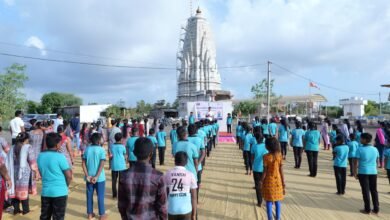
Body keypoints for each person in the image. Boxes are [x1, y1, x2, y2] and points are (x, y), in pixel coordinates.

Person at [118, 137, 167, 219]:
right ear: (151, 154)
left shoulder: (124, 175)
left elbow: (121, 205)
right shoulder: (159, 177)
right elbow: (162, 207)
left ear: (134, 153)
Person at [38, 133, 72, 220]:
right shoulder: (60, 157)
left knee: (44, 216)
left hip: (46, 191)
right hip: (60, 192)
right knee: (58, 217)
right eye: (60, 143)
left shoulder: (40, 156)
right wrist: (66, 186)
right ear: (57, 144)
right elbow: (68, 176)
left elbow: (42, 173)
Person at [164, 152, 197, 220]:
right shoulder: (190, 175)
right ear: (186, 162)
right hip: (186, 210)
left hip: (171, 209)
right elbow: (194, 197)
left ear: (175, 161)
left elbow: (165, 194)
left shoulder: (167, 174)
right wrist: (193, 214)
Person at [12, 132, 38, 215]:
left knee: (15, 190)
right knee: (24, 191)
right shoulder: (27, 147)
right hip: (24, 172)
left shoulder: (13, 147)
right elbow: (32, 161)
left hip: (14, 171)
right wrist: (36, 171)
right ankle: (26, 210)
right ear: (26, 139)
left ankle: (16, 210)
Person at [82, 133, 107, 220]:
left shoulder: (87, 149)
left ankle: (89, 214)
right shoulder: (101, 150)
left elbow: (83, 163)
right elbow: (102, 164)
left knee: (89, 195)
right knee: (100, 196)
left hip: (89, 178)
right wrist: (96, 176)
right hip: (99, 178)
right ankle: (102, 215)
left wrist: (87, 175)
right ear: (99, 140)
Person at [353, 133, 379, 215]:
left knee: (365, 191)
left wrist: (354, 172)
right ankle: (376, 208)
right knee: (374, 190)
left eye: (361, 139)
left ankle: (367, 209)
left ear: (365, 140)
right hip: (373, 172)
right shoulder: (375, 149)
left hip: (363, 172)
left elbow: (355, 162)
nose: (360, 140)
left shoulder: (360, 149)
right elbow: (377, 161)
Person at [261, 137, 285, 220]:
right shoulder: (279, 156)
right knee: (278, 201)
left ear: (268, 147)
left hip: (268, 181)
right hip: (278, 181)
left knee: (268, 200)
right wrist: (283, 181)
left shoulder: (265, 157)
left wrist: (261, 180)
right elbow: (281, 170)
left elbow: (265, 171)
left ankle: (270, 218)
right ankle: (278, 218)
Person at [187, 124, 205, 200]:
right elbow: (203, 153)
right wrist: (198, 163)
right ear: (196, 131)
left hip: (187, 166)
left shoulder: (186, 139)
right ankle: (195, 200)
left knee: (187, 185)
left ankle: (188, 201)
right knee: (196, 184)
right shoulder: (199, 139)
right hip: (198, 166)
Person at [251, 132, 268, 207]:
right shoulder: (266, 147)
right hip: (265, 168)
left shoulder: (254, 146)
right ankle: (267, 199)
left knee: (258, 185)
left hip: (256, 168)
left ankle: (259, 202)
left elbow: (252, 158)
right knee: (265, 184)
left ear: (256, 139)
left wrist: (252, 165)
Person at [110, 133, 127, 199]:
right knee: (121, 180)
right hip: (122, 165)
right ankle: (121, 194)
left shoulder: (112, 146)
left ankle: (114, 194)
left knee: (114, 181)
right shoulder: (122, 146)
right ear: (121, 139)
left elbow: (111, 155)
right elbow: (124, 155)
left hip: (114, 165)